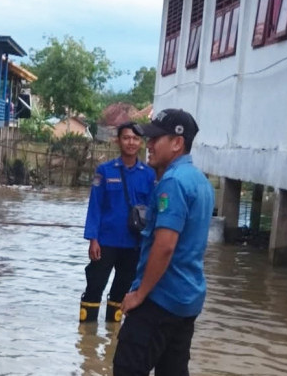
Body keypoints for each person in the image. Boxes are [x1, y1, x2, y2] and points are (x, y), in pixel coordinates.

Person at [113, 109, 214, 376]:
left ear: (177, 143)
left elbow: (165, 245)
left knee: (127, 368)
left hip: (161, 298)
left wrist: (140, 294)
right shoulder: (200, 181)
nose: (149, 145)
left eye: (156, 139)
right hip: (187, 298)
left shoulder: (172, 182)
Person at [80, 122, 156, 323]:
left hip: (133, 244)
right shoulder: (105, 171)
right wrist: (93, 239)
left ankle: (112, 337)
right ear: (118, 141)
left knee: (122, 290)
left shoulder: (148, 175)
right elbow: (95, 206)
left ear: (140, 143)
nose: (131, 142)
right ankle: (87, 336)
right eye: (126, 138)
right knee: (94, 286)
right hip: (105, 242)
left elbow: (152, 211)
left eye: (135, 138)